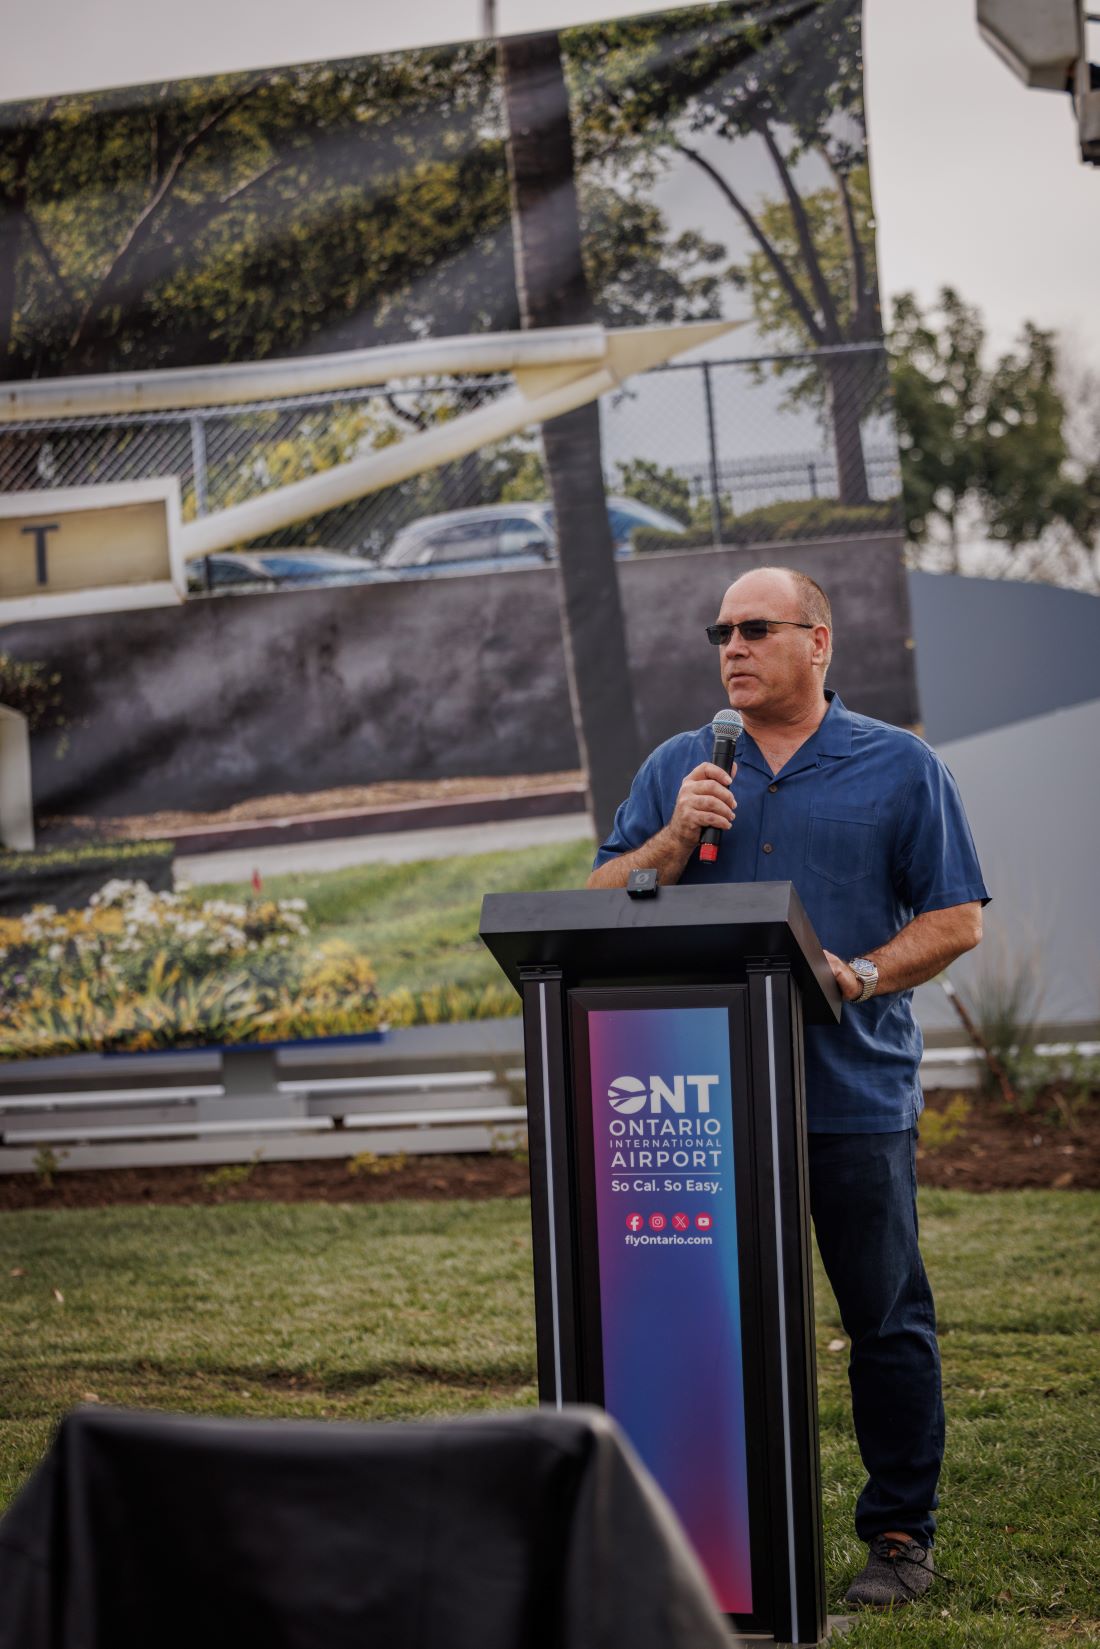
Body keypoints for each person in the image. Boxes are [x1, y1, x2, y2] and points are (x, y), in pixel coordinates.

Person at [587, 564, 989, 1608]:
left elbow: (955, 917)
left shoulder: (900, 766)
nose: (731, 645)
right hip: (702, 1105)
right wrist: (674, 837)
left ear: (817, 641)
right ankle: (704, 1531)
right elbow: (593, 898)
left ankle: (900, 1533)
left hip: (848, 1097)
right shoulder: (684, 764)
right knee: (704, 1323)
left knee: (883, 1317)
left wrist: (856, 974)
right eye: (720, 628)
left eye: (755, 627)